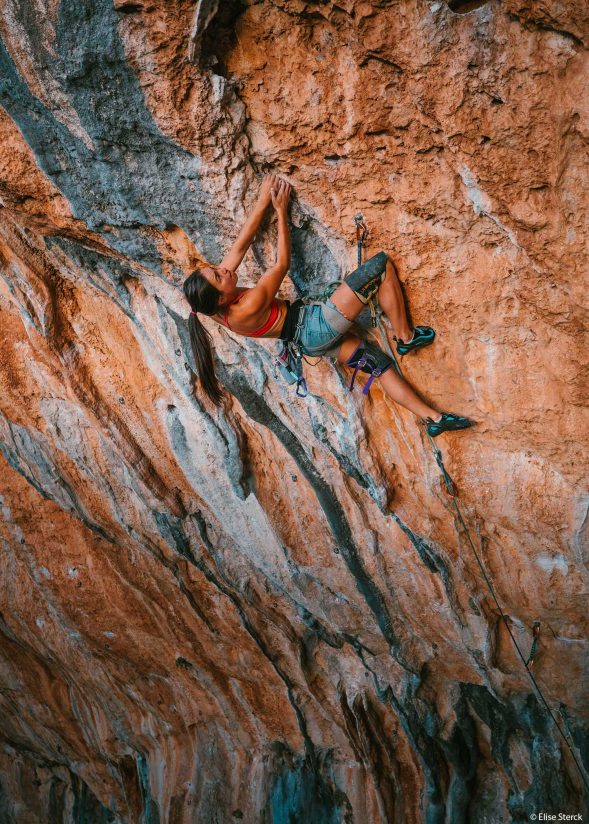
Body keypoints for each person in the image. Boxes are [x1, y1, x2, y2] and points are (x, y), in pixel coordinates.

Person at [183, 174, 473, 437]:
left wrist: (262, 201)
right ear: (220, 297)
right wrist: (281, 211)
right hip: (317, 326)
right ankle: (407, 337)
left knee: (379, 367)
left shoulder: (213, 307)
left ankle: (434, 419)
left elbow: (239, 248)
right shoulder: (246, 305)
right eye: (219, 276)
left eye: (215, 269)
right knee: (380, 268)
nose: (224, 270)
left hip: (311, 343)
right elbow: (282, 263)